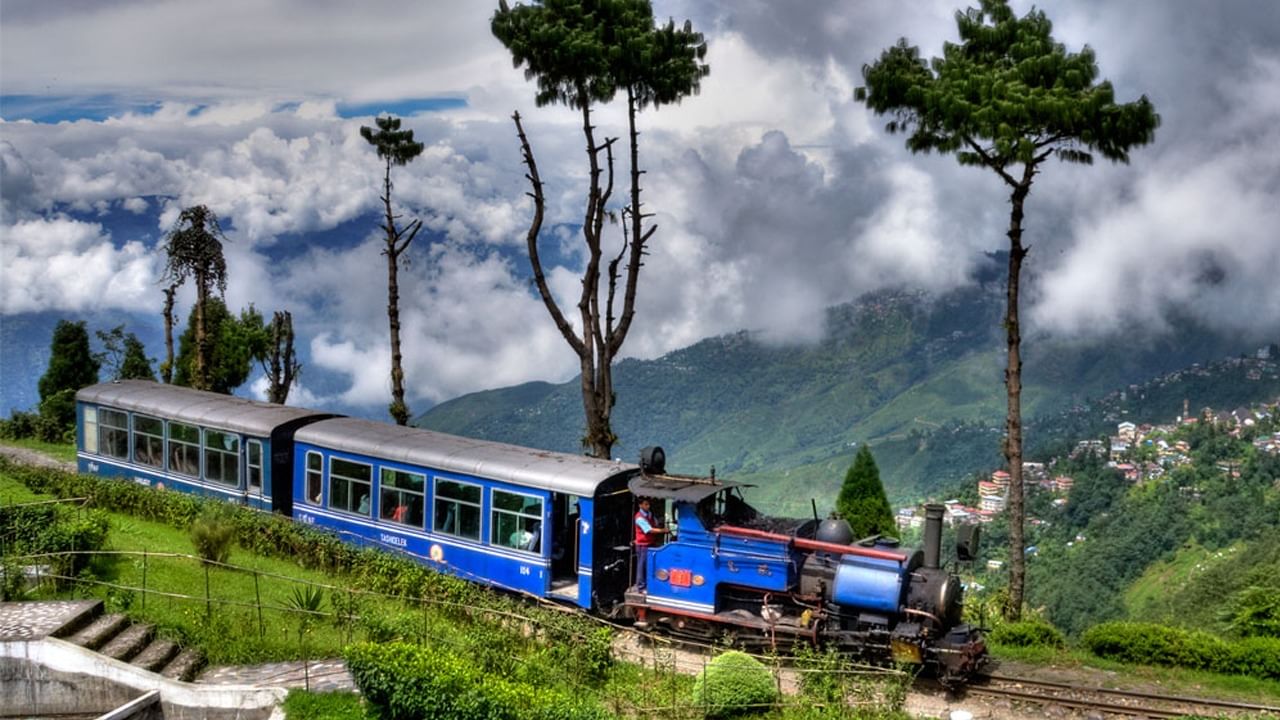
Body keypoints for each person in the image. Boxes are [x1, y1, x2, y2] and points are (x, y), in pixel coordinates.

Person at [633, 498, 670, 592]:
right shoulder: (639, 518)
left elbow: (655, 523)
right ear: (640, 505)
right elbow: (649, 529)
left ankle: (649, 584)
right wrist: (663, 531)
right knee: (642, 565)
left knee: (649, 564)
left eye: (648, 504)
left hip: (650, 543)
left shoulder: (649, 514)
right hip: (643, 545)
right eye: (645, 504)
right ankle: (641, 586)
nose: (648, 506)